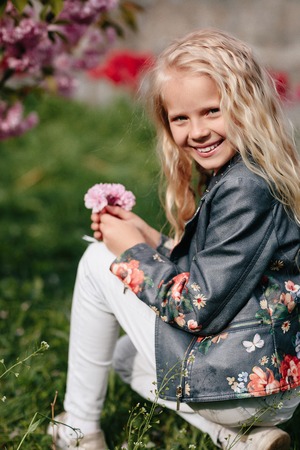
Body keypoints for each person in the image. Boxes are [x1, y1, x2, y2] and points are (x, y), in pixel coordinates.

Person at [47, 28, 300, 450]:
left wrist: (132, 253)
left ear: (246, 106)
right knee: (127, 356)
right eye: (180, 118)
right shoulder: (249, 174)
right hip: (268, 380)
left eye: (212, 111)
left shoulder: (246, 187)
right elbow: (223, 276)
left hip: (244, 383)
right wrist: (152, 240)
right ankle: (241, 440)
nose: (196, 131)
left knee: (96, 261)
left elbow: (196, 309)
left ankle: (79, 431)